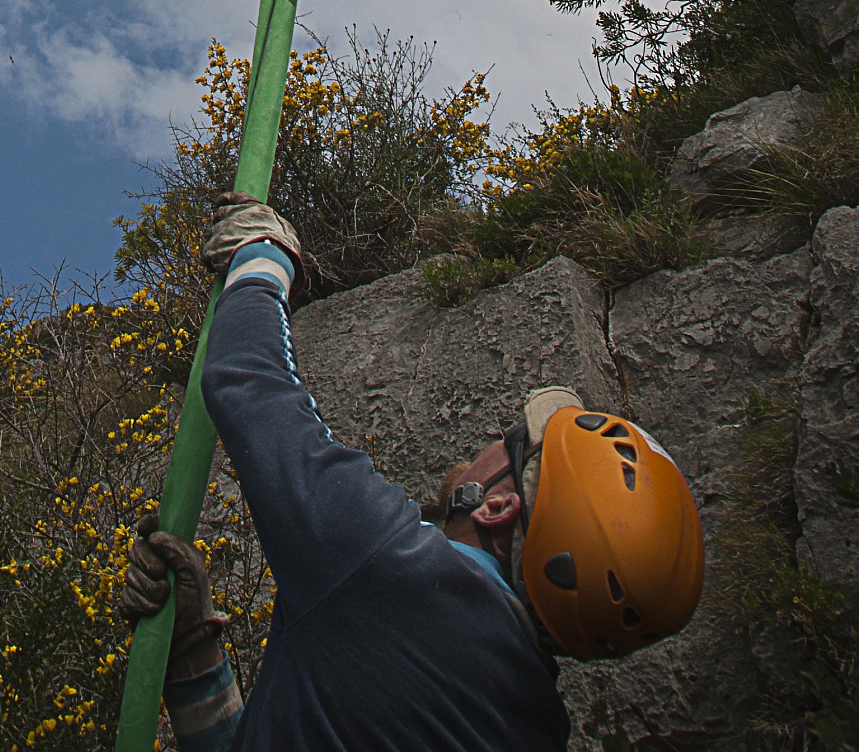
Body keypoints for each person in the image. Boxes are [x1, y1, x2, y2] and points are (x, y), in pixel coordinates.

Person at [118, 193, 704, 750]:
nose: (492, 444)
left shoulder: (392, 570)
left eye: (512, 443)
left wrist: (263, 256)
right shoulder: (535, 730)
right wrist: (195, 660)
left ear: (497, 507)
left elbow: (246, 380)